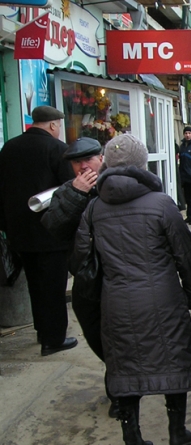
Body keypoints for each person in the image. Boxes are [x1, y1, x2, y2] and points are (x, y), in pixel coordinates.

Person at [72, 134, 191, 445]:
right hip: (162, 298)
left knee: (124, 367)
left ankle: (131, 442)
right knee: (172, 359)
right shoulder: (161, 204)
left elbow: (80, 261)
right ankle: (177, 434)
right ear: (142, 164)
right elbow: (185, 255)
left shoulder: (94, 208)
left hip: (116, 301)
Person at [41, 137, 119, 417]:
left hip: (120, 276)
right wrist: (76, 194)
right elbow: (54, 228)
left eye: (88, 160)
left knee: (120, 338)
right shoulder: (67, 191)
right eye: (76, 162)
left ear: (101, 158)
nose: (83, 166)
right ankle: (119, 377)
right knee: (95, 335)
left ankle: (120, 392)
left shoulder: (117, 184)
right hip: (87, 280)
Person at [0, 106, 77, 356]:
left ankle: (42, 330)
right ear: (53, 125)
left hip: (19, 232)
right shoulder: (56, 149)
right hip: (50, 232)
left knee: (35, 284)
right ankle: (54, 339)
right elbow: (68, 189)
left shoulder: (9, 147)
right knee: (54, 286)